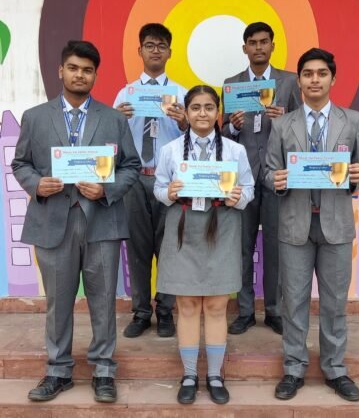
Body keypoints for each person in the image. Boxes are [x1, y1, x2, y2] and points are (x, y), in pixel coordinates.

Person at [12, 40, 141, 403]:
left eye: (87, 70)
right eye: (73, 68)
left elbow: (130, 166)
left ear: (95, 75)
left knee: (103, 300)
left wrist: (106, 189)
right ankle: (58, 370)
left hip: (102, 221)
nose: (79, 75)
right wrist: (37, 184)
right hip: (52, 221)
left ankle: (104, 370)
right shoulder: (35, 117)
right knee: (58, 301)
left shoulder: (114, 119)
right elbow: (20, 163)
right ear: (61, 71)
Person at [265, 47, 359, 402]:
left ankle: (335, 368)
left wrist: (358, 175)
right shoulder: (282, 124)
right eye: (308, 74)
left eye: (321, 73)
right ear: (299, 80)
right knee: (293, 302)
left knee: (334, 303)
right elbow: (268, 171)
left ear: (332, 79)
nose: (314, 80)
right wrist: (276, 180)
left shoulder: (353, 121)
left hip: (336, 226)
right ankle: (294, 368)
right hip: (295, 224)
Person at [154, 86, 254, 405]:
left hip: (222, 227)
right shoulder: (170, 150)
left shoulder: (235, 151)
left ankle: (213, 375)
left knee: (215, 305)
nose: (202, 113)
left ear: (217, 112)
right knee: (186, 305)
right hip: (182, 228)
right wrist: (168, 193)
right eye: (195, 107)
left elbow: (249, 188)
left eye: (209, 107)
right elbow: (158, 188)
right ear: (186, 112)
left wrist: (238, 197)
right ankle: (188, 375)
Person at [222, 22, 302, 336]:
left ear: (272, 45)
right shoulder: (231, 84)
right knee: (241, 246)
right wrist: (232, 125)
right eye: (253, 42)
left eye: (264, 42)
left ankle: (274, 311)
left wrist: (287, 120)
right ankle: (244, 312)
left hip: (276, 176)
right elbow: (222, 132)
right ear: (245, 48)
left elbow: (302, 127)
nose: (258, 47)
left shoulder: (289, 82)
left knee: (275, 247)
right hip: (242, 177)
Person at [114, 23, 187, 338]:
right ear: (139, 51)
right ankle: (142, 312)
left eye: (161, 45)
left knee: (169, 249)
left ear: (170, 52)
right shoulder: (125, 94)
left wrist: (185, 123)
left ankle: (166, 311)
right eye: (149, 45)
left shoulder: (181, 94)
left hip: (169, 181)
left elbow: (197, 139)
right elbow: (111, 140)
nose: (155, 50)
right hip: (134, 180)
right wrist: (117, 121)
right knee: (138, 249)